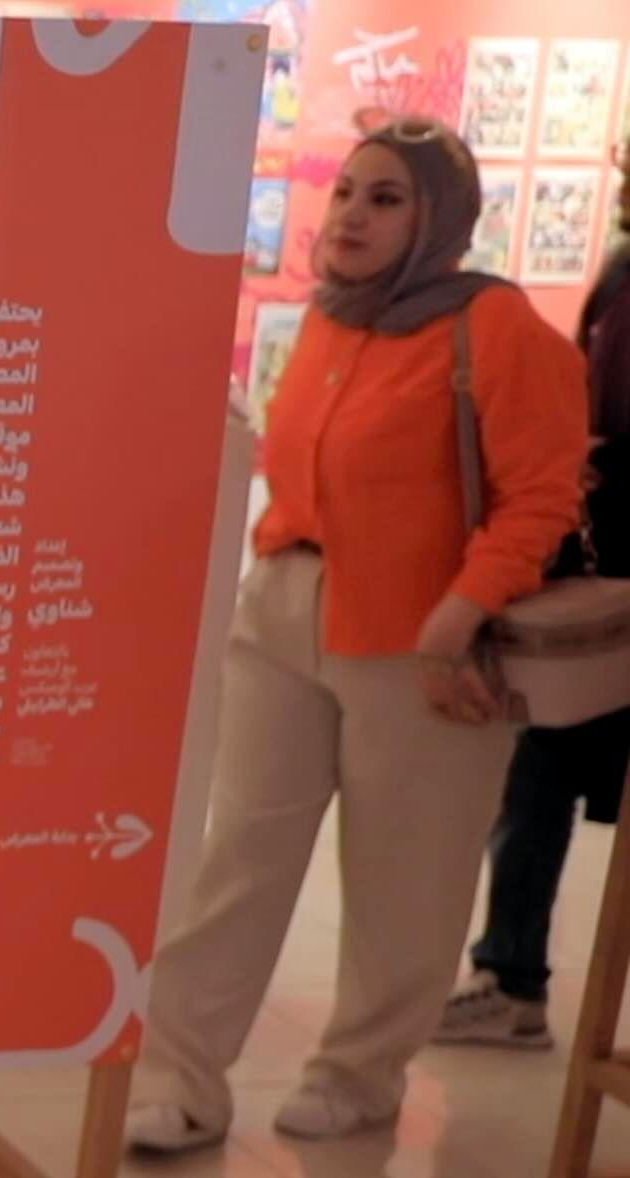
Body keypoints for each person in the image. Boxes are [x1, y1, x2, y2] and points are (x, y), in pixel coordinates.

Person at [127, 116, 589, 1152]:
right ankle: (181, 1075)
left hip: (424, 642)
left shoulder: (495, 328)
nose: (350, 216)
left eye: (386, 199)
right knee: (238, 858)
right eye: (345, 192)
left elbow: (540, 496)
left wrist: (456, 614)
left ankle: (358, 1075)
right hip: (284, 611)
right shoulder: (334, 318)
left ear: (441, 217)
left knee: (402, 879)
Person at [440, 138, 630, 1050]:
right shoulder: (622, 271)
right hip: (602, 565)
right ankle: (511, 976)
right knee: (539, 767)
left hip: (611, 569)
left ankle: (512, 978)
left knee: (542, 767)